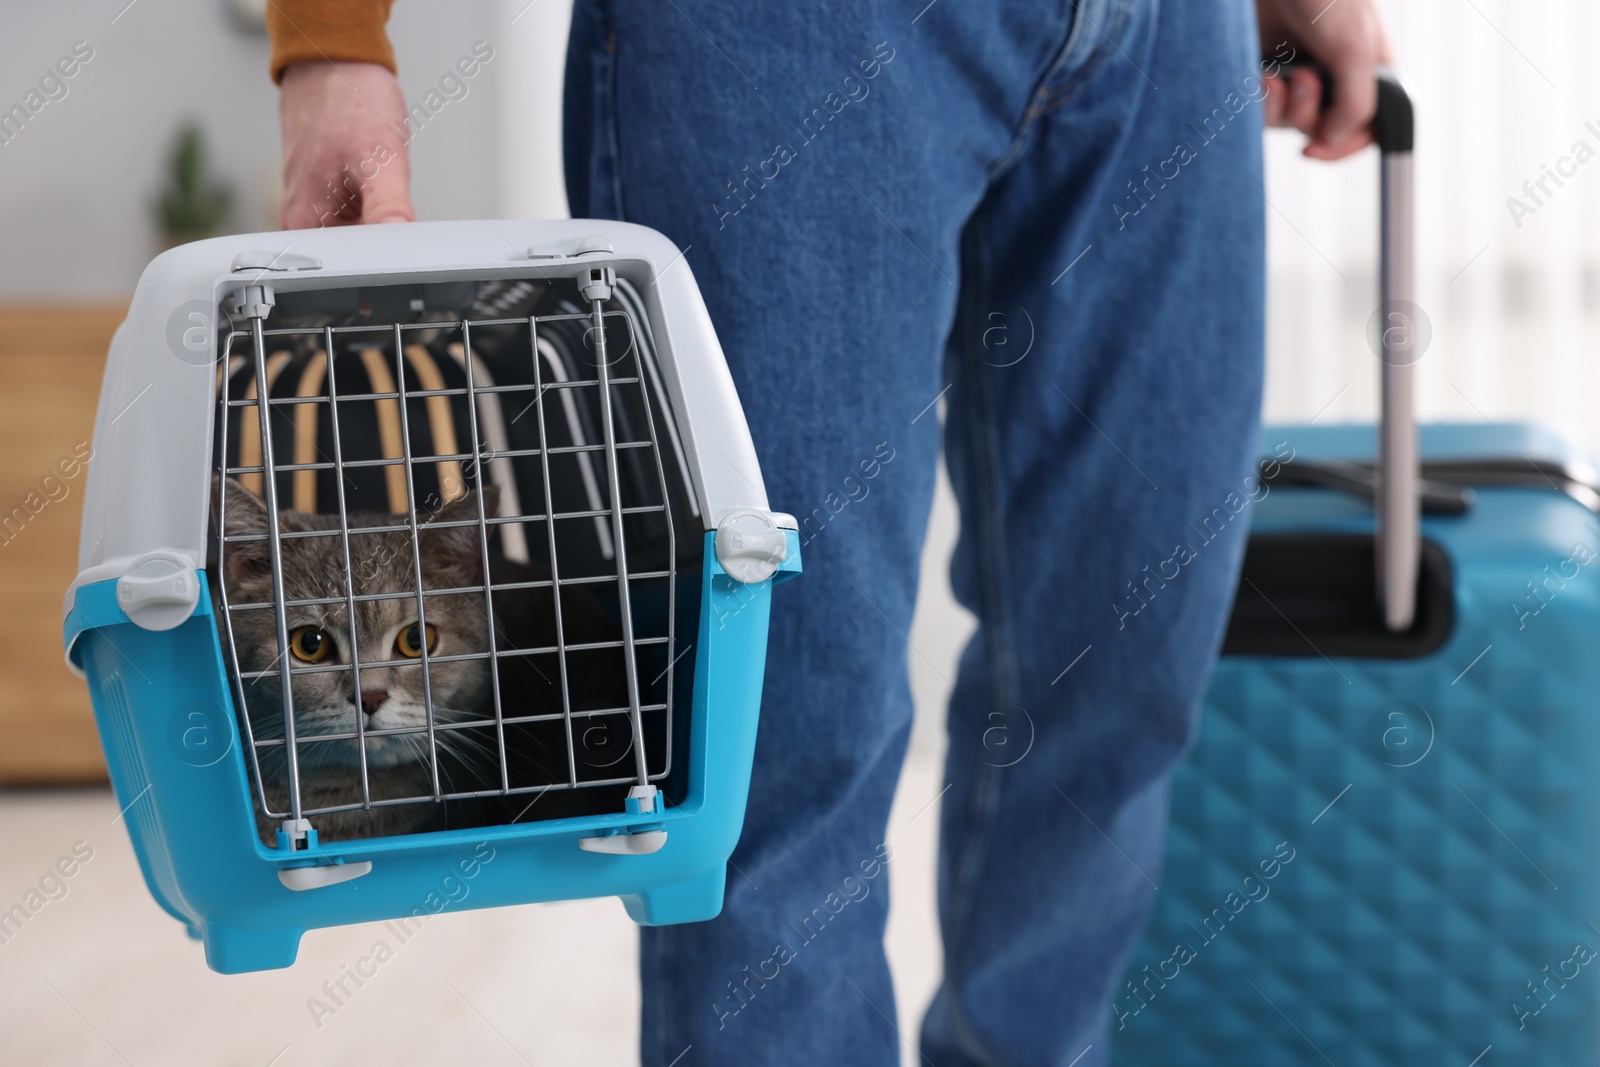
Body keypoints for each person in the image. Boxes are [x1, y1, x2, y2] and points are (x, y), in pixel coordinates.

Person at [265, 1, 1390, 1062]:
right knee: (782, 724)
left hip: (1166, 35)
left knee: (1127, 652)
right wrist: (332, 37)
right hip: (778, 37)